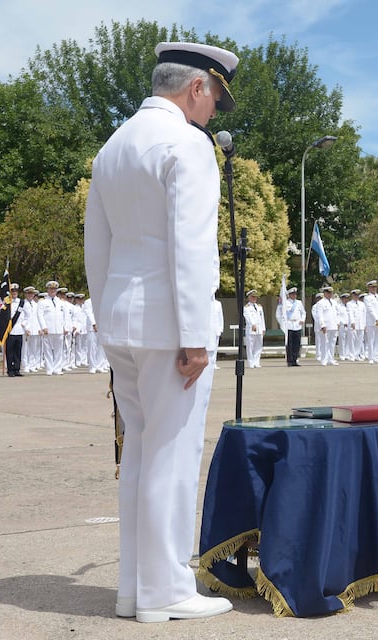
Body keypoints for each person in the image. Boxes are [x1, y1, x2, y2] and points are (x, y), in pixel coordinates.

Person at [83, 41, 237, 623]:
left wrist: (106, 317)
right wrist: (197, 335)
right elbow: (193, 247)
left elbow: (97, 247)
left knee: (142, 458)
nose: (213, 113)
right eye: (215, 98)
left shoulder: (114, 145)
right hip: (171, 329)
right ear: (197, 86)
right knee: (170, 458)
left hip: (123, 321)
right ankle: (167, 589)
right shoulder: (186, 144)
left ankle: (135, 589)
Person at [279, 287, 305, 366]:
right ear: (289, 295)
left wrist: (302, 320)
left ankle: (295, 359)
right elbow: (281, 314)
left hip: (297, 324)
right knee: (289, 344)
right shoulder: (285, 303)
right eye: (292, 294)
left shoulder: (299, 303)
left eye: (295, 294)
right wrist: (283, 323)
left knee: (297, 344)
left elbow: (303, 312)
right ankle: (290, 360)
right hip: (289, 325)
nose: (294, 295)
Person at [243, 289, 265, 368]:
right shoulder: (246, 307)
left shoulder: (259, 307)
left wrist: (263, 328)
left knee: (259, 346)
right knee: (250, 346)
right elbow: (248, 317)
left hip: (259, 329)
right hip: (251, 329)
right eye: (252, 297)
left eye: (255, 297)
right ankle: (251, 362)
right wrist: (253, 324)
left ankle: (257, 362)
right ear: (249, 297)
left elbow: (262, 318)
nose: (254, 298)